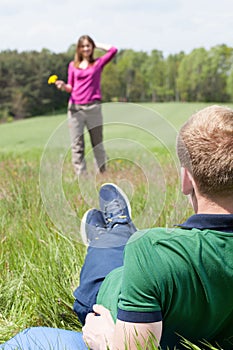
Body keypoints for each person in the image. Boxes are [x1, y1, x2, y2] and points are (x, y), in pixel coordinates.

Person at [1, 105, 233, 350]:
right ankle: (116, 228)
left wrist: (106, 342)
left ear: (186, 180)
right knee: (131, 254)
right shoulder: (155, 253)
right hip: (144, 279)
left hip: (106, 300)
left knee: (29, 338)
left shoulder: (151, 249)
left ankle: (116, 228)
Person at [55, 35, 118, 176]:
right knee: (77, 145)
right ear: (79, 48)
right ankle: (81, 176)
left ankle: (102, 174)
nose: (86, 48)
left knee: (97, 143)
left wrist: (96, 44)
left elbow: (113, 50)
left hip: (93, 108)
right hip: (75, 108)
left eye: (88, 46)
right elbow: (71, 86)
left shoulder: (98, 64)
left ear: (92, 47)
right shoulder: (73, 66)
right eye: (83, 46)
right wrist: (63, 86)